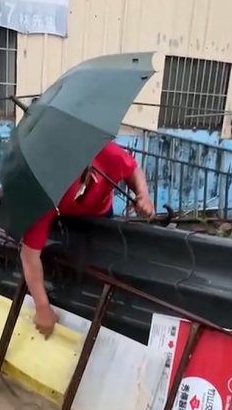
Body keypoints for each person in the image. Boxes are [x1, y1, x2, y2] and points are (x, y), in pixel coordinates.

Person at [20, 142, 155, 339]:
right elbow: (29, 255)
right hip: (63, 219)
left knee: (103, 264)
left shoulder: (107, 153)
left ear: (87, 170)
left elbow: (133, 168)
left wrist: (143, 195)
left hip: (101, 214)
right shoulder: (44, 192)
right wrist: (42, 307)